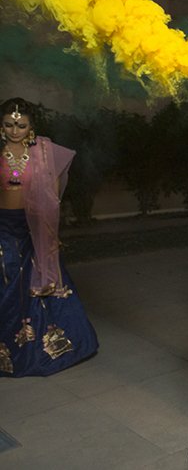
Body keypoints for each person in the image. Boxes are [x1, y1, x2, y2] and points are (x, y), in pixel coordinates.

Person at [0, 97, 98, 377]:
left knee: (38, 282)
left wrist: (49, 233)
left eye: (21, 125)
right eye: (8, 125)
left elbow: (51, 197)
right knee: (7, 281)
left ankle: (49, 349)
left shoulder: (42, 151)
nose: (14, 130)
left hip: (33, 227)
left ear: (31, 126)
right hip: (2, 226)